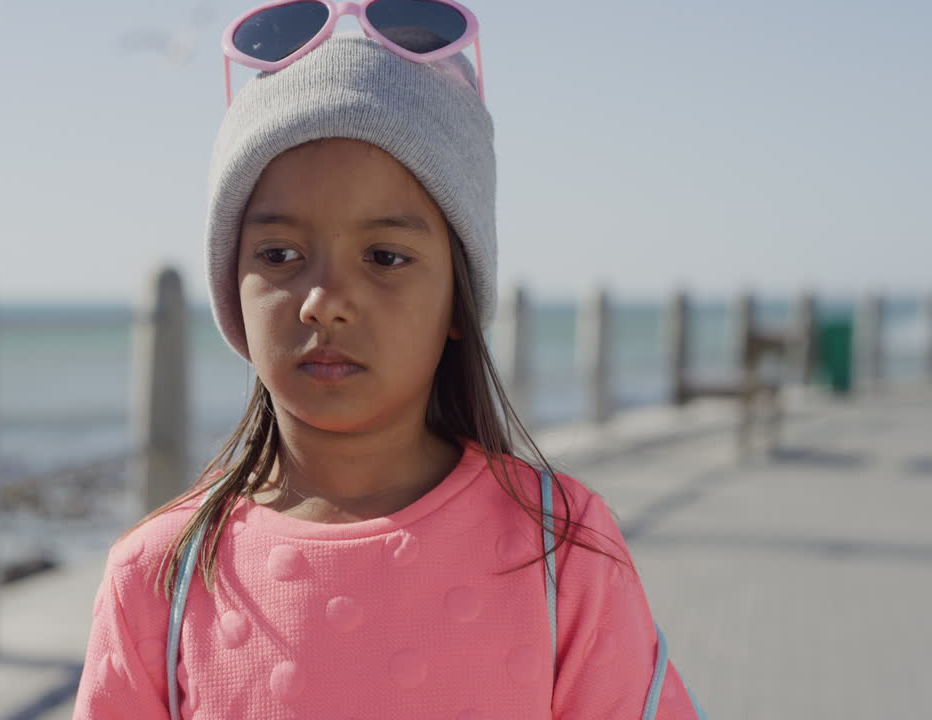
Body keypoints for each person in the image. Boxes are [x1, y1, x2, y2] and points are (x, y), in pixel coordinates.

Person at [74, 2, 706, 717]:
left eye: (385, 257)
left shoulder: (563, 551)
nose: (325, 301)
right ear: (231, 288)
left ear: (459, 299)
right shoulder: (161, 574)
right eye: (279, 255)